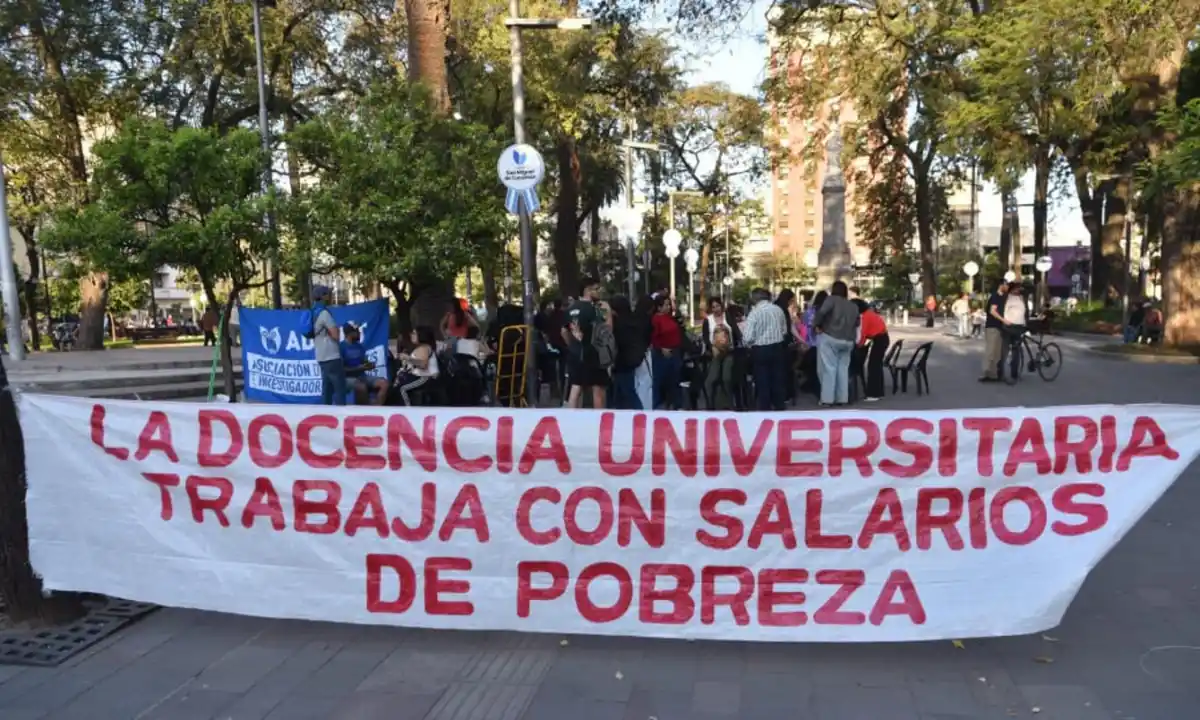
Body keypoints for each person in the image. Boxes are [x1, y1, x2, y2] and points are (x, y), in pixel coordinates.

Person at [563, 277, 608, 409]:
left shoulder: (570, 309)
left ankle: (572, 418)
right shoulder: (595, 310)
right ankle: (598, 420)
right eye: (596, 289)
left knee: (576, 386)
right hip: (592, 353)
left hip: (575, 353)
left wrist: (571, 344)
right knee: (597, 388)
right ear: (588, 290)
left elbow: (563, 331)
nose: (599, 292)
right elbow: (602, 330)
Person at [813, 281, 860, 407]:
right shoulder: (853, 306)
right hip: (848, 340)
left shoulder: (831, 300)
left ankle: (827, 399)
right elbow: (857, 323)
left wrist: (816, 325)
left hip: (831, 337)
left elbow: (821, 313)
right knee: (843, 369)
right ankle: (842, 398)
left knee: (829, 368)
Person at [743, 287, 789, 411]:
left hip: (761, 349)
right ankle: (779, 407)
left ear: (755, 298)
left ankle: (765, 409)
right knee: (777, 380)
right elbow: (784, 331)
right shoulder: (778, 310)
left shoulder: (754, 313)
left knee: (763, 382)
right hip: (778, 347)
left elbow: (747, 337)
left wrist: (749, 344)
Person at [610, 295, 647, 410]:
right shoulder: (633, 321)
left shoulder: (618, 325)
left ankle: (639, 414)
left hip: (622, 361)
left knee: (626, 391)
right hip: (632, 360)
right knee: (625, 391)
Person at [310, 285, 345, 405]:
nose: (330, 296)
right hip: (331, 356)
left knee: (327, 389)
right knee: (339, 389)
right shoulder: (324, 313)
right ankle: (342, 415)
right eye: (328, 294)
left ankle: (326, 415)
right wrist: (336, 331)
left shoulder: (313, 312)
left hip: (321, 355)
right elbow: (336, 335)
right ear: (323, 296)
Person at [650, 294, 684, 409]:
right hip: (663, 354)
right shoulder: (656, 319)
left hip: (675, 352)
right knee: (661, 381)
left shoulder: (670, 318)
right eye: (666, 305)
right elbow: (653, 337)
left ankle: (676, 405)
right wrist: (661, 348)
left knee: (675, 381)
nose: (668, 307)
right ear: (659, 307)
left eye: (669, 305)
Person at [342, 324, 389, 405]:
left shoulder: (360, 346)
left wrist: (369, 365)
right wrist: (358, 368)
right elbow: (341, 369)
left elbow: (365, 363)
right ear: (350, 333)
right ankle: (365, 411)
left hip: (362, 376)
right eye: (357, 332)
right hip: (347, 379)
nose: (359, 334)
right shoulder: (341, 347)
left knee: (384, 384)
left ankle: (377, 409)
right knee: (362, 387)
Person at [393, 326, 440, 405]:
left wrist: (408, 358)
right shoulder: (420, 348)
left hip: (425, 378)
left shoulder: (424, 348)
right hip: (419, 376)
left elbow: (423, 365)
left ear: (421, 335)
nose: (411, 335)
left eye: (414, 333)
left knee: (402, 389)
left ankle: (408, 411)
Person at [855, 298, 889, 401]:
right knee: (876, 365)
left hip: (879, 339)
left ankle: (874, 394)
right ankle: (879, 392)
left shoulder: (865, 317)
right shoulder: (869, 313)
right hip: (882, 337)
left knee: (873, 366)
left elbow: (863, 334)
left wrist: (858, 345)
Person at [979, 280, 1009, 382]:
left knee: (997, 352)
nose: (1007, 286)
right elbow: (993, 311)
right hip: (992, 326)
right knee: (991, 350)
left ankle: (993, 374)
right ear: (1001, 285)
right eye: (1006, 285)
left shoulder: (1004, 297)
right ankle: (986, 372)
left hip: (1001, 327)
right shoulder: (995, 296)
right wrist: (1004, 320)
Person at [1001, 283, 1028, 381]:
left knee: (1016, 350)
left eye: (1019, 289)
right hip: (1008, 325)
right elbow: (1003, 311)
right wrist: (1004, 321)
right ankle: (1001, 372)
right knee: (1005, 349)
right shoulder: (1007, 298)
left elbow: (1025, 311)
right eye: (1016, 289)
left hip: (1019, 325)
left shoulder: (1021, 298)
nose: (1018, 291)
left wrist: (1026, 323)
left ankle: (1014, 372)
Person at [705, 326, 736, 410]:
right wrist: (715, 349)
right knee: (711, 381)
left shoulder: (730, 353)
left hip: (728, 356)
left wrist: (722, 348)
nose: (721, 340)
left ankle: (729, 405)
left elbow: (727, 346)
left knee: (726, 378)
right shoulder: (713, 351)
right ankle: (710, 406)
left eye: (723, 338)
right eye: (718, 338)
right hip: (716, 358)